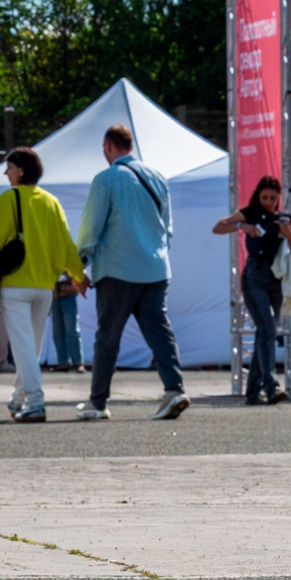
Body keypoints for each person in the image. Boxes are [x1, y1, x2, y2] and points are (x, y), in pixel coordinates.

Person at [74, 123, 188, 422]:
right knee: (160, 331)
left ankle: (97, 403)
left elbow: (90, 229)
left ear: (108, 147)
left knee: (108, 337)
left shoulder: (106, 179)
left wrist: (78, 266)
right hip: (155, 268)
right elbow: (168, 228)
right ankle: (174, 389)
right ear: (130, 145)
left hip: (117, 270)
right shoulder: (157, 177)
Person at [0, 148, 85, 423]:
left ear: (19, 169)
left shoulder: (9, 198)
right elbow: (66, 246)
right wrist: (78, 275)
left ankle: (36, 403)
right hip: (45, 288)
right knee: (30, 348)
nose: (6, 174)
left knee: (23, 348)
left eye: (8, 168)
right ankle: (18, 399)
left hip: (15, 285)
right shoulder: (52, 202)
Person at [215, 174, 291, 406]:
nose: (268, 201)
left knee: (266, 333)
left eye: (272, 197)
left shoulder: (283, 218)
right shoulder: (250, 212)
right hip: (254, 276)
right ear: (258, 196)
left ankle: (252, 392)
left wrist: (287, 232)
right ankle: (271, 387)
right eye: (264, 197)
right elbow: (218, 227)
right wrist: (242, 226)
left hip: (277, 277)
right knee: (267, 328)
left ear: (279, 197)